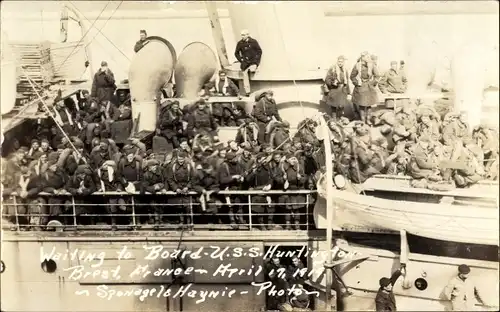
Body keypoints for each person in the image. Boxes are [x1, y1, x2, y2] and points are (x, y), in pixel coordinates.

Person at [350, 52, 381, 123]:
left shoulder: (372, 65)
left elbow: (377, 76)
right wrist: (357, 83)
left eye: (368, 57)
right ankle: (363, 121)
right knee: (361, 105)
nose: (367, 58)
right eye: (366, 57)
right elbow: (352, 76)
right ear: (362, 58)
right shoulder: (357, 65)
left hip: (369, 86)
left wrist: (372, 83)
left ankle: (368, 120)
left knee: (369, 104)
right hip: (360, 87)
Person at [234, 29, 262, 96]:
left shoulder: (253, 42)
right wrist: (241, 60)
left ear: (247, 35)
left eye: (243, 35)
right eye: (241, 35)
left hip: (253, 62)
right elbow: (236, 53)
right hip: (245, 63)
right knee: (245, 75)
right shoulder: (240, 43)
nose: (242, 36)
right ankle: (247, 92)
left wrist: (256, 61)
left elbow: (259, 51)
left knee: (252, 70)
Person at [323, 55, 351, 121]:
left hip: (342, 90)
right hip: (334, 89)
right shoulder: (333, 69)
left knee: (341, 105)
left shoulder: (345, 70)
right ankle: (334, 119)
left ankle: (340, 118)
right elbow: (327, 79)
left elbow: (347, 80)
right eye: (339, 61)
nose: (340, 63)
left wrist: (348, 91)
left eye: (342, 62)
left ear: (344, 62)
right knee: (334, 105)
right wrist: (332, 83)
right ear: (337, 61)